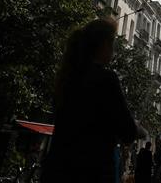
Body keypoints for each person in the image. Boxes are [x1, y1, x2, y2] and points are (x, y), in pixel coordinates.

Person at [42, 17, 141, 183]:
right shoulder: (106, 79)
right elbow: (128, 131)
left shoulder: (67, 78)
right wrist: (137, 127)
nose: (114, 49)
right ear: (103, 45)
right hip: (91, 171)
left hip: (57, 170)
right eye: (112, 44)